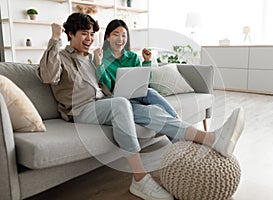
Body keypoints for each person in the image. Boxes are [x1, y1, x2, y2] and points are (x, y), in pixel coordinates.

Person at [37, 12, 245, 200]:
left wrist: (102, 68)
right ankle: (139, 178)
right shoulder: (60, 57)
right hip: (80, 111)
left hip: (103, 104)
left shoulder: (92, 58)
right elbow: (48, 76)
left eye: (91, 34)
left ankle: (211, 139)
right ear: (70, 34)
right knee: (120, 104)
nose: (89, 39)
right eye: (84, 34)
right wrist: (54, 39)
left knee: (150, 110)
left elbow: (105, 87)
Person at [93, 19, 180, 119]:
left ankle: (176, 117)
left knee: (149, 92)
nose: (120, 39)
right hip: (115, 99)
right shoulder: (100, 57)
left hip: (135, 94)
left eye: (124, 35)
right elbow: (106, 87)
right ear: (107, 37)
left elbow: (144, 83)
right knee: (153, 112)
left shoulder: (133, 57)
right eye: (116, 35)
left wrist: (147, 62)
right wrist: (99, 64)